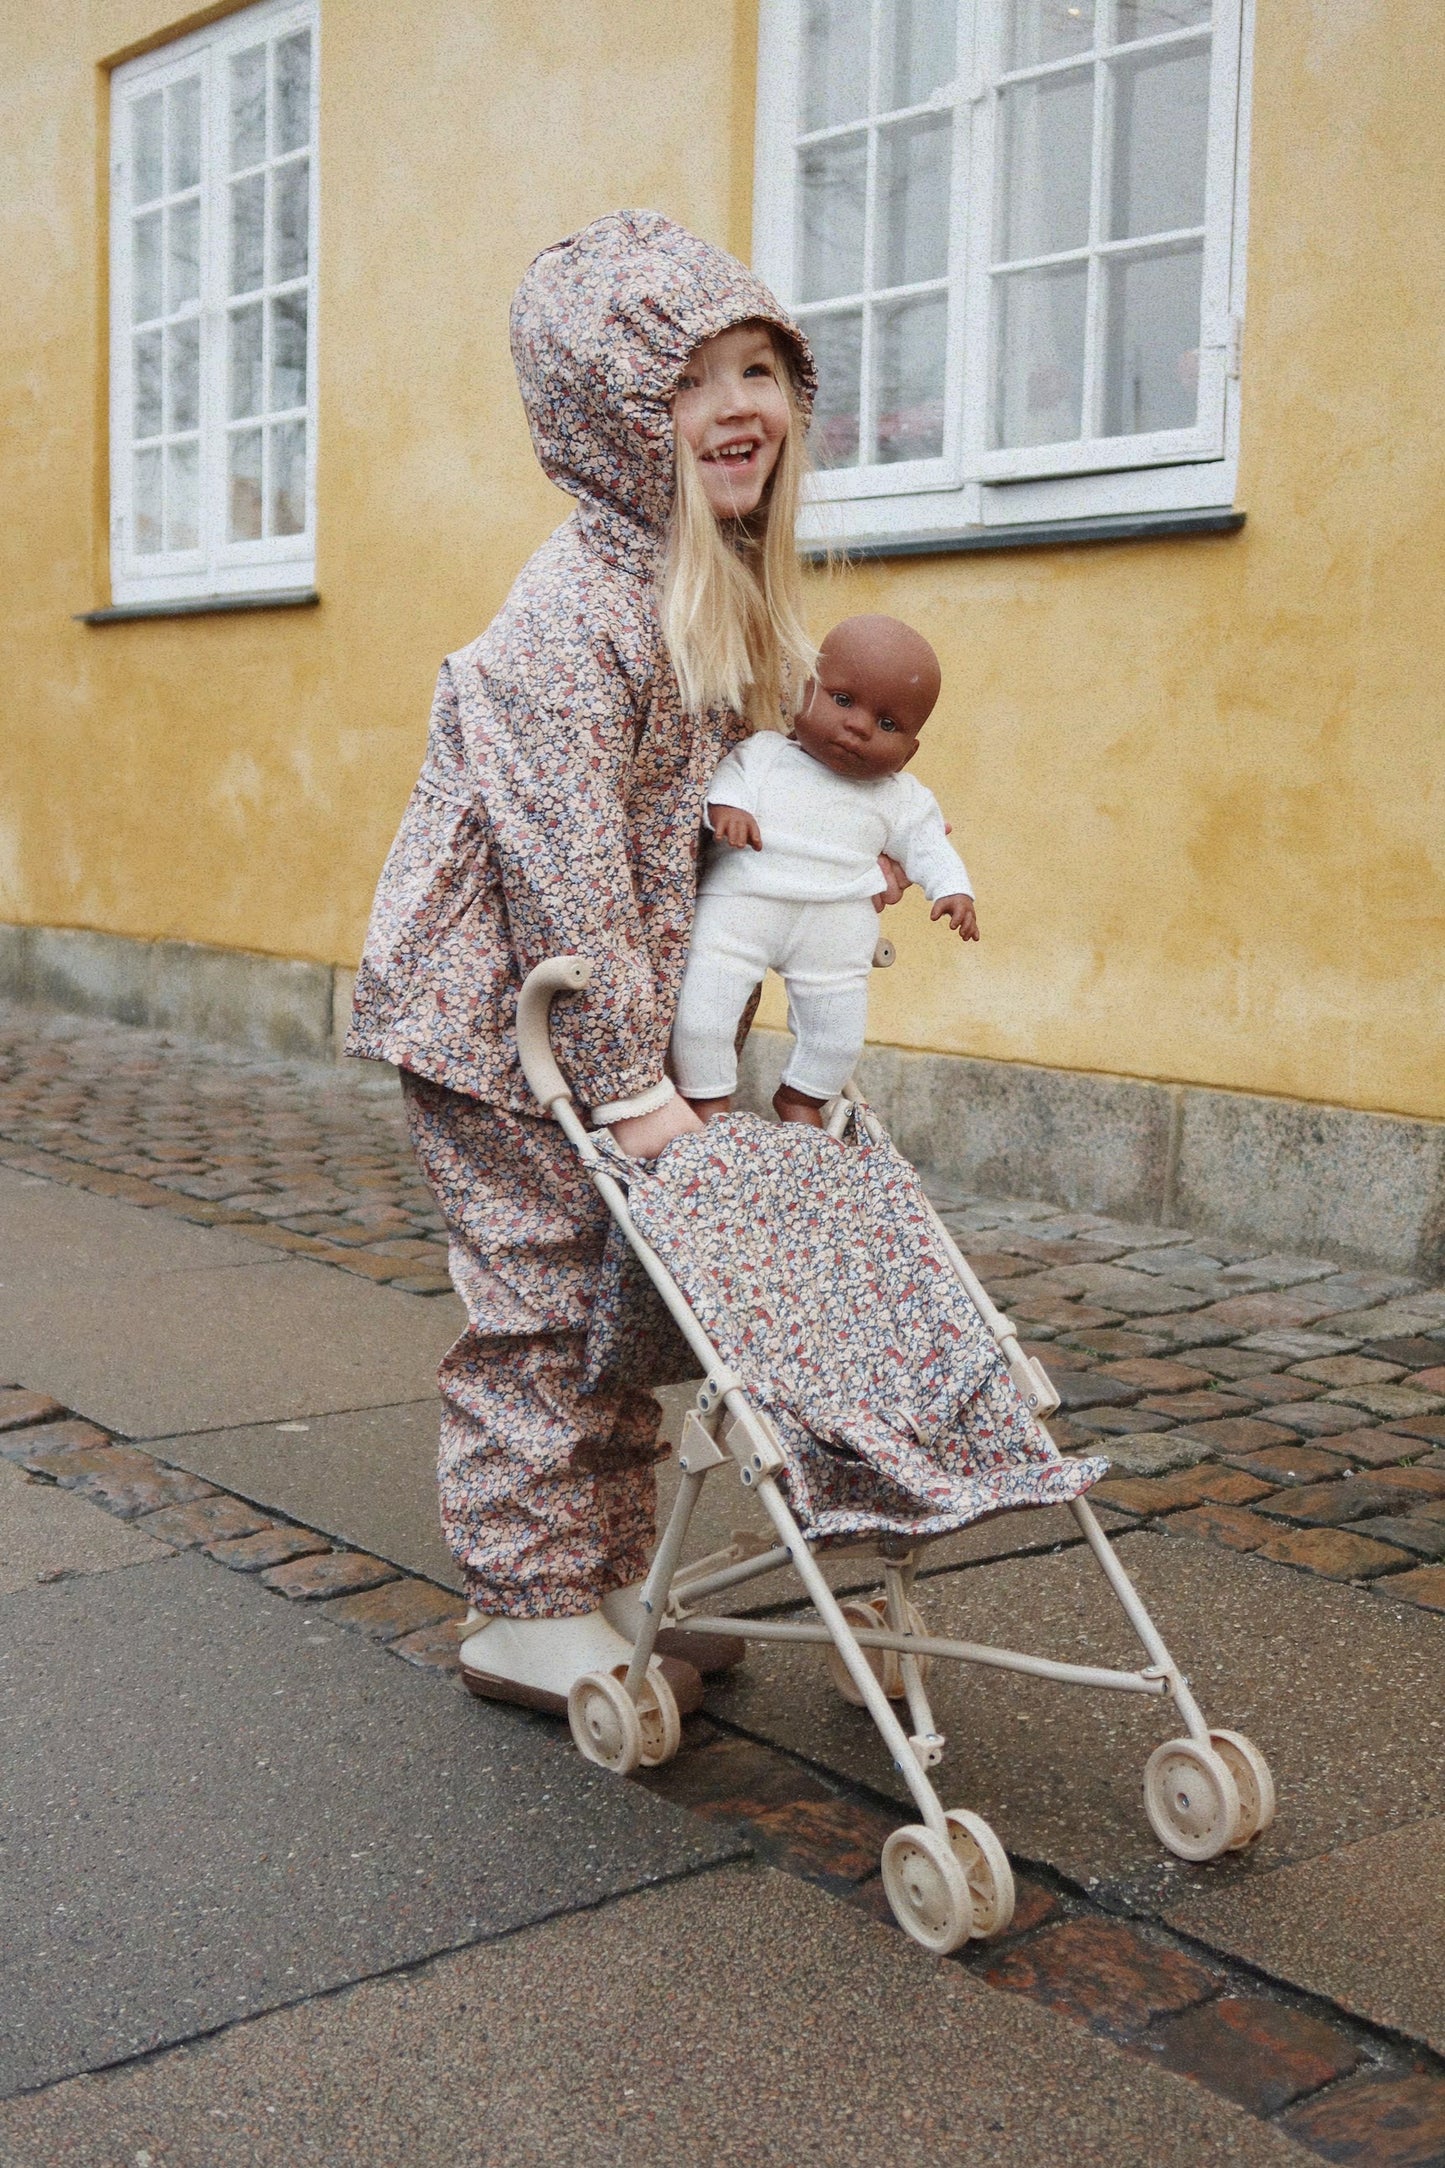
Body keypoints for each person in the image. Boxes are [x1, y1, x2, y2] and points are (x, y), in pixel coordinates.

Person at [346, 210, 817, 1713]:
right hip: (505, 1015)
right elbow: (560, 879)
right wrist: (629, 1089)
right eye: (690, 382)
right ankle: (523, 1605)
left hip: (620, 1008)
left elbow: (708, 820)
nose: (738, 407)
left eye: (760, 369)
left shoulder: (708, 586)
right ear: (612, 414)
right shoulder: (572, 617)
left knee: (632, 1295)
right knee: (546, 1294)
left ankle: (610, 1571)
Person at [671, 614, 977, 1128]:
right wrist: (729, 810)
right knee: (703, 1012)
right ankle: (707, 1099)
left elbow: (928, 846)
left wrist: (952, 889)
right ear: (804, 692)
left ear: (909, 753)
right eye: (842, 700)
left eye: (887, 724)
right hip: (744, 906)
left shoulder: (901, 797)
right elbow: (729, 780)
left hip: (836, 925)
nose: (858, 726)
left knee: (838, 1033)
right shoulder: (766, 753)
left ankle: (803, 1098)